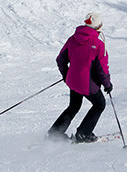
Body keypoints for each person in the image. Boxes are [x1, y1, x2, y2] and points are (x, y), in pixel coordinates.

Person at [48, 12, 112, 143]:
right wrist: (107, 85)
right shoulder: (98, 44)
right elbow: (102, 70)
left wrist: (67, 75)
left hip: (72, 81)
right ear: (98, 27)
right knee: (99, 104)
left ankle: (55, 133)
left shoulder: (73, 38)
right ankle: (83, 133)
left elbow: (60, 59)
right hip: (87, 84)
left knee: (74, 106)